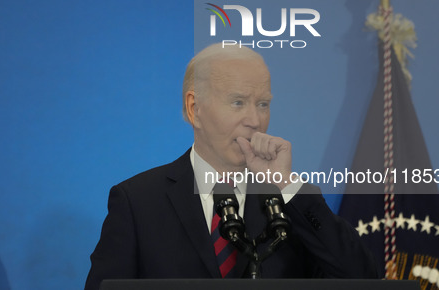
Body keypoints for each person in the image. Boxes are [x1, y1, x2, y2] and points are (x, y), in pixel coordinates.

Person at [84, 44, 378, 290]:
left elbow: (362, 277)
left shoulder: (289, 201)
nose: (255, 120)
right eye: (238, 102)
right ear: (194, 109)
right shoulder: (137, 202)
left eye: (263, 104)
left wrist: (287, 186)